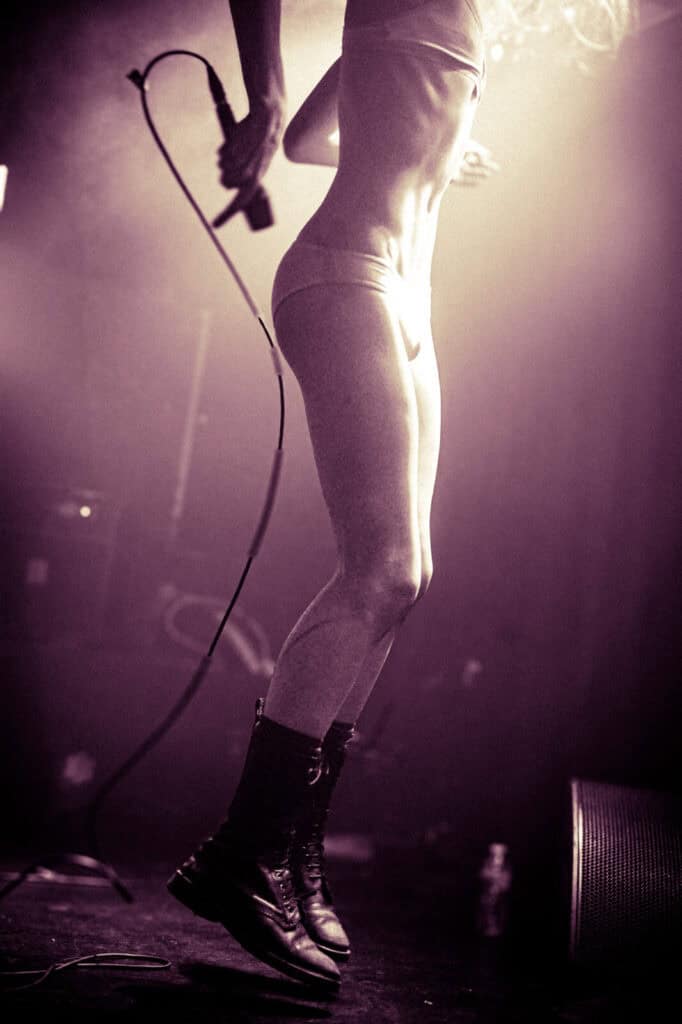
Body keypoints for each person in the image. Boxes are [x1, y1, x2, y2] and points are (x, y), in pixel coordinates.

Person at [168, 0, 495, 989]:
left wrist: (429, 147)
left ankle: (293, 854)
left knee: (410, 576)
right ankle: (243, 851)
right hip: (345, 276)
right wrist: (261, 84)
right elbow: (289, 105)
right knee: (380, 565)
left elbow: (315, 140)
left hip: (406, 298)